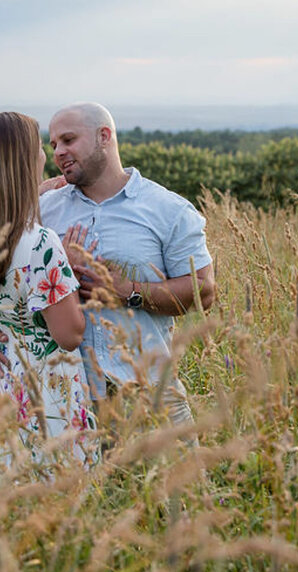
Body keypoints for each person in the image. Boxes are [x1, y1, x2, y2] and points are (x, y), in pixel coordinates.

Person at [41, 102, 215, 429]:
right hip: (68, 399)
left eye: (68, 140)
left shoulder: (168, 210)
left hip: (149, 392)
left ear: (104, 136)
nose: (58, 152)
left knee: (180, 480)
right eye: (53, 145)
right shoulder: (42, 210)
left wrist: (126, 292)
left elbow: (203, 292)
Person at [0, 111, 97, 473]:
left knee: (0, 484)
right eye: (39, 148)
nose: (47, 154)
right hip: (44, 387)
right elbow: (69, 334)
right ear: (25, 159)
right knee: (54, 488)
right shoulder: (42, 244)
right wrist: (69, 268)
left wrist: (41, 188)